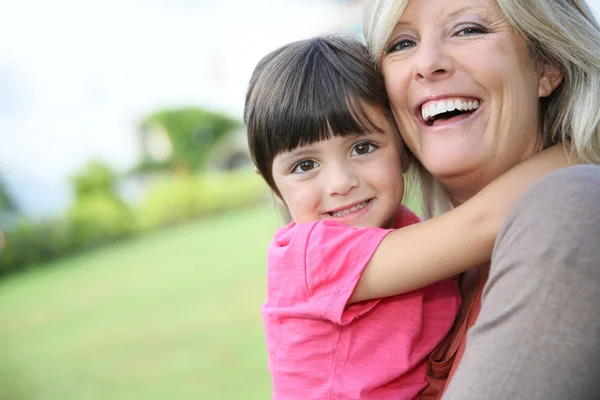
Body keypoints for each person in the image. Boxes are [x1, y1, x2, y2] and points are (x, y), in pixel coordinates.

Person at [244, 35, 577, 399]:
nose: (341, 183)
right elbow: (483, 223)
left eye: (362, 147)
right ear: (273, 184)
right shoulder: (313, 255)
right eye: (305, 165)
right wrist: (581, 149)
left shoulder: (407, 229)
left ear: (403, 149)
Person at [362, 0, 600, 399]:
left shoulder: (571, 207)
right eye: (401, 43)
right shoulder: (433, 277)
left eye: (469, 29)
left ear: (547, 67)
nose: (427, 63)